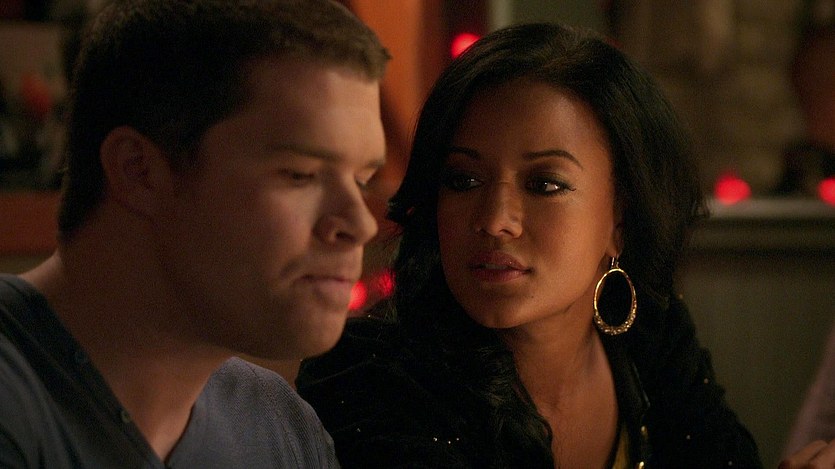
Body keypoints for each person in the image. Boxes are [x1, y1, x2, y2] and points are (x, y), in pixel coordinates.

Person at [296, 22, 763, 468]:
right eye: (463, 180)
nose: (495, 220)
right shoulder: (376, 380)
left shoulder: (650, 337)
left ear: (621, 219)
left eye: (544, 185)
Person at [0, 0, 389, 467]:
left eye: (363, 180)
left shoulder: (280, 428)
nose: (361, 223)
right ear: (138, 171)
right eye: (300, 174)